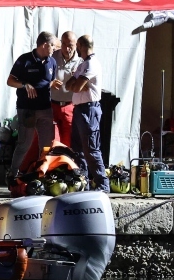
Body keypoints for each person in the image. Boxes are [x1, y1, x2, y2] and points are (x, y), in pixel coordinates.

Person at [6, 31, 61, 183]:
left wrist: (52, 85)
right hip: (27, 109)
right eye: (53, 46)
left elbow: (46, 82)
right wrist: (24, 85)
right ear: (44, 45)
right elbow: (10, 81)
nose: (55, 50)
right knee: (24, 143)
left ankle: (41, 174)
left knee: (46, 145)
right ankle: (12, 174)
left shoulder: (52, 62)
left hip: (45, 109)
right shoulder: (25, 60)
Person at [66, 35, 108, 192]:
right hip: (79, 108)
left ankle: (102, 184)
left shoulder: (92, 64)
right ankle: (83, 182)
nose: (76, 49)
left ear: (81, 45)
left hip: (89, 109)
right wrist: (77, 83)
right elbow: (69, 85)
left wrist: (78, 84)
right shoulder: (82, 65)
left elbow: (75, 87)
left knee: (91, 148)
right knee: (77, 148)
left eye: (77, 46)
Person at [51, 31, 82, 147]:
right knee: (53, 139)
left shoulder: (81, 61)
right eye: (64, 44)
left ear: (76, 45)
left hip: (70, 106)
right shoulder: (53, 57)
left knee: (68, 140)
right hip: (53, 105)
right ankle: (54, 163)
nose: (66, 48)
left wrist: (77, 78)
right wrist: (51, 82)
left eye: (70, 45)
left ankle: (66, 163)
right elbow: (43, 76)